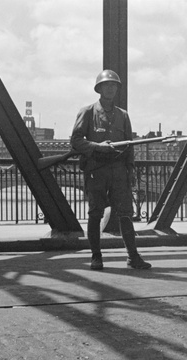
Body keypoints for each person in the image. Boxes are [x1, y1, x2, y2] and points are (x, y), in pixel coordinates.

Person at [70, 69, 151, 271]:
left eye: (114, 85)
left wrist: (130, 171)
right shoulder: (87, 112)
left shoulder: (123, 115)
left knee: (125, 214)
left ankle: (133, 257)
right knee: (95, 214)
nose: (111, 88)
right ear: (99, 89)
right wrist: (98, 147)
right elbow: (76, 141)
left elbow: (129, 145)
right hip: (96, 170)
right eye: (107, 85)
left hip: (118, 171)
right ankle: (96, 257)